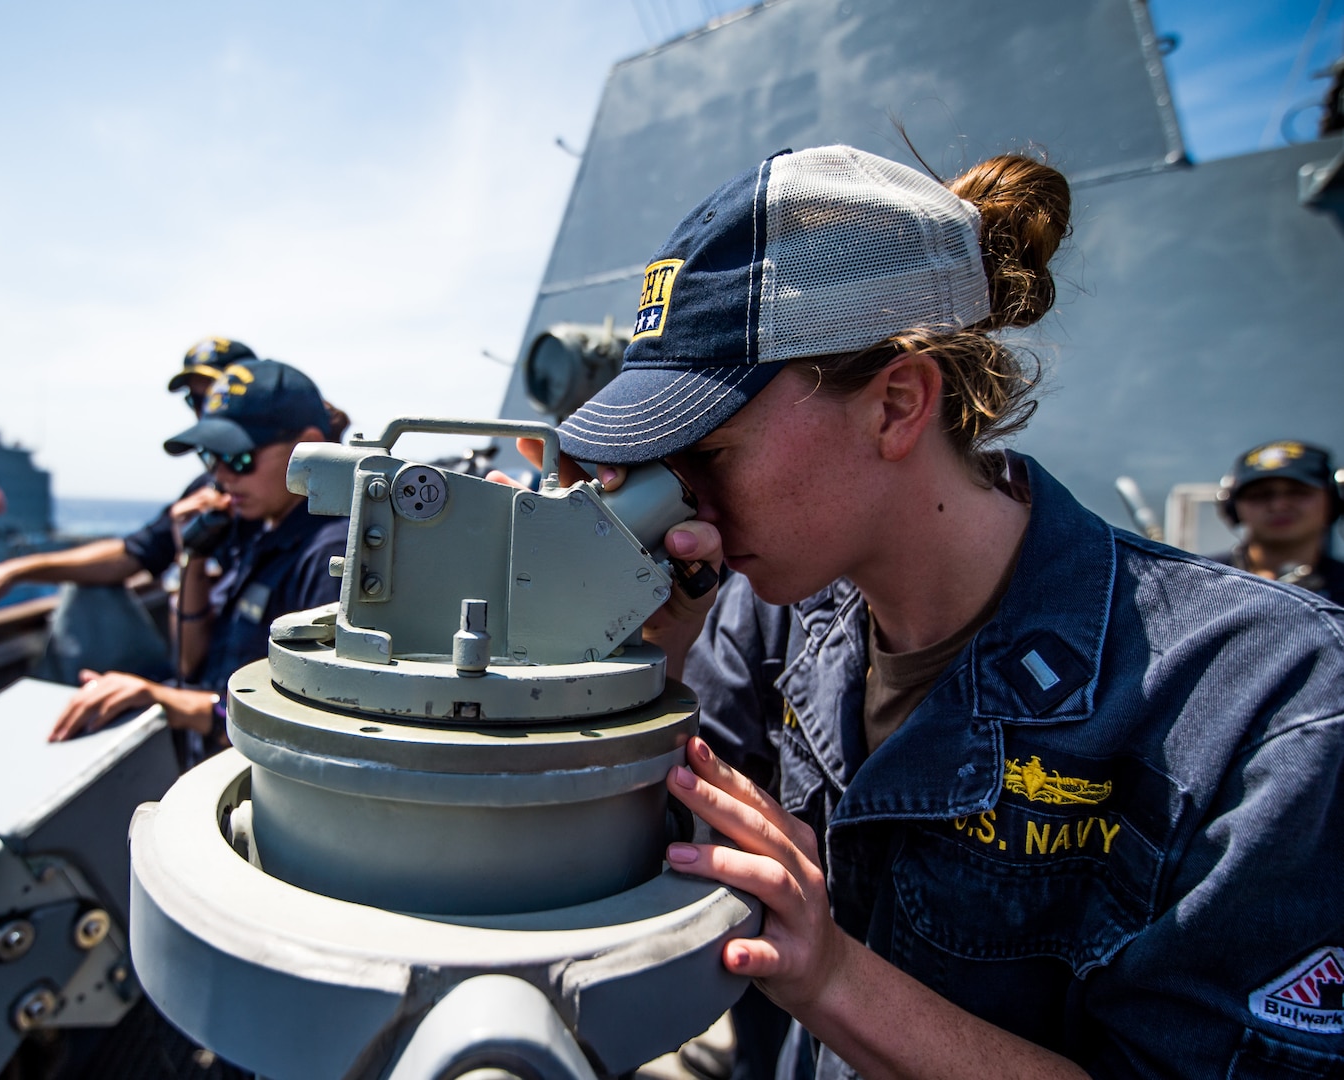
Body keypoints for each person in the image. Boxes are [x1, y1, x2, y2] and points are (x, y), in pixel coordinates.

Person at [538, 147, 1344, 1078]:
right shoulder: (770, 620)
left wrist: (833, 977)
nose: (684, 507)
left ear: (896, 404)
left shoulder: (1262, 698)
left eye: (707, 452)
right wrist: (645, 670)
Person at [48, 358, 349, 768]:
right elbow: (190, 665)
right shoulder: (257, 527)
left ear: (309, 448)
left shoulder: (329, 556)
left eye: (239, 459)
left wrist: (165, 700)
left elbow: (309, 731)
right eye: (211, 458)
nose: (221, 476)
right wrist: (193, 554)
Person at [0, 337, 263, 615]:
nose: (206, 410)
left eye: (219, 396)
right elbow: (132, 553)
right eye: (196, 399)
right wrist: (16, 570)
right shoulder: (204, 493)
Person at [1213, 440, 1344, 600]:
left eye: (1298, 492)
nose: (1279, 506)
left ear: (1334, 501)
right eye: (1261, 495)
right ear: (1232, 507)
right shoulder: (1198, 582)